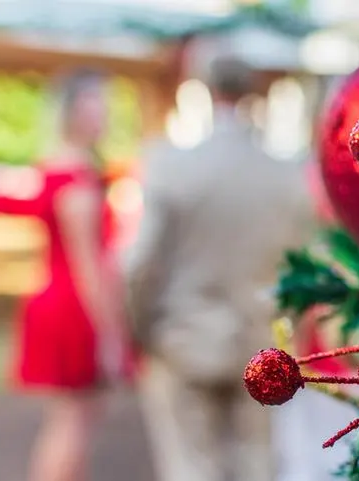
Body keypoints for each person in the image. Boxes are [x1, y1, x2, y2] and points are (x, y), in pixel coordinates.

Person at [125, 56, 317, 481]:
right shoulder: (287, 173)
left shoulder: (169, 166)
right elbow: (310, 264)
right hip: (264, 342)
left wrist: (141, 331)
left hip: (183, 337)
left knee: (192, 466)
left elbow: (139, 263)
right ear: (253, 93)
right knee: (258, 462)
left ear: (205, 91)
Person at [0, 69, 132, 481]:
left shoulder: (59, 164)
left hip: (58, 297)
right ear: (76, 111)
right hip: (74, 306)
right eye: (98, 106)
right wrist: (112, 336)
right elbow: (89, 266)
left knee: (72, 420)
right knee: (73, 421)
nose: (105, 116)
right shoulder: (76, 177)